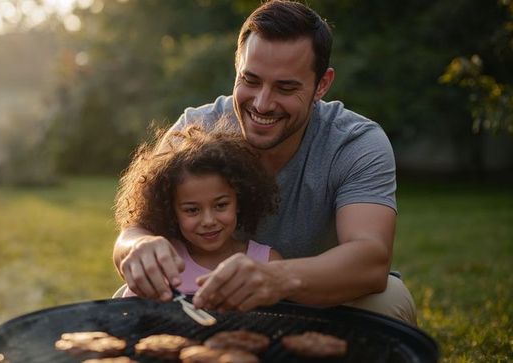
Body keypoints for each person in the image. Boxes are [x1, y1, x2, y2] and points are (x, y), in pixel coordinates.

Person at [113, 0, 417, 325]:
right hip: (208, 300)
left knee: (391, 301)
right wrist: (139, 246)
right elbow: (131, 233)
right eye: (251, 80)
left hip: (322, 298)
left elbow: (370, 262)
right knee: (123, 303)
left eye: (286, 87)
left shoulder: (356, 142)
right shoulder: (195, 132)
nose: (262, 103)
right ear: (237, 67)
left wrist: (276, 278)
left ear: (322, 84)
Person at [114, 123, 282, 297]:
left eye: (221, 205)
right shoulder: (160, 264)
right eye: (192, 210)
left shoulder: (267, 262)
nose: (208, 221)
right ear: (172, 211)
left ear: (239, 201)